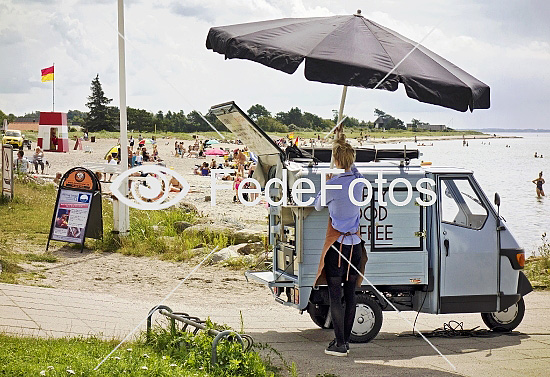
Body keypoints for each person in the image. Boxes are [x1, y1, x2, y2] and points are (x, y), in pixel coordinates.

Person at [313, 129, 367, 357]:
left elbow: (317, 205)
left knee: (336, 295)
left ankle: (340, 343)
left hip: (337, 248)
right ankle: (345, 342)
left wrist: (327, 181)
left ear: (335, 160)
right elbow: (355, 171)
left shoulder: (333, 186)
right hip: (355, 246)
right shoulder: (359, 183)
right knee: (351, 294)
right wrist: (342, 143)